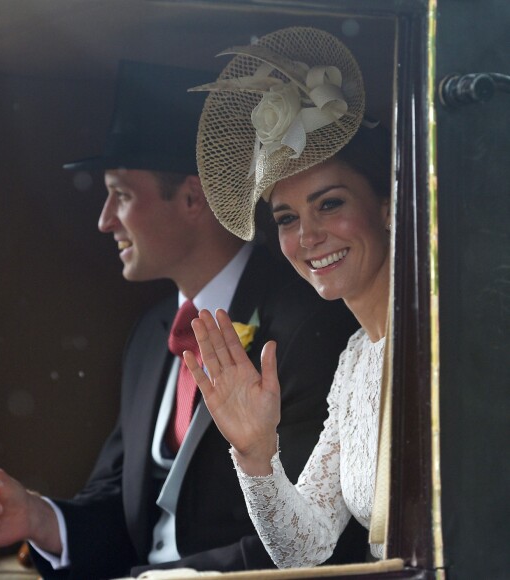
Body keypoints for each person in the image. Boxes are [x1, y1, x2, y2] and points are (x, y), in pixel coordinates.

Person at [0, 60, 364, 579]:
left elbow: (310, 536)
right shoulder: (149, 337)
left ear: (191, 197)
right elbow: (125, 507)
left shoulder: (305, 324)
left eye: (120, 194)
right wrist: (37, 517)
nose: (103, 220)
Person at [183, 27, 392, 567]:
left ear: (389, 207)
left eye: (329, 204)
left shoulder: (445, 338)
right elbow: (307, 548)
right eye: (286, 219)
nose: (308, 238)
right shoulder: (354, 362)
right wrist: (256, 454)